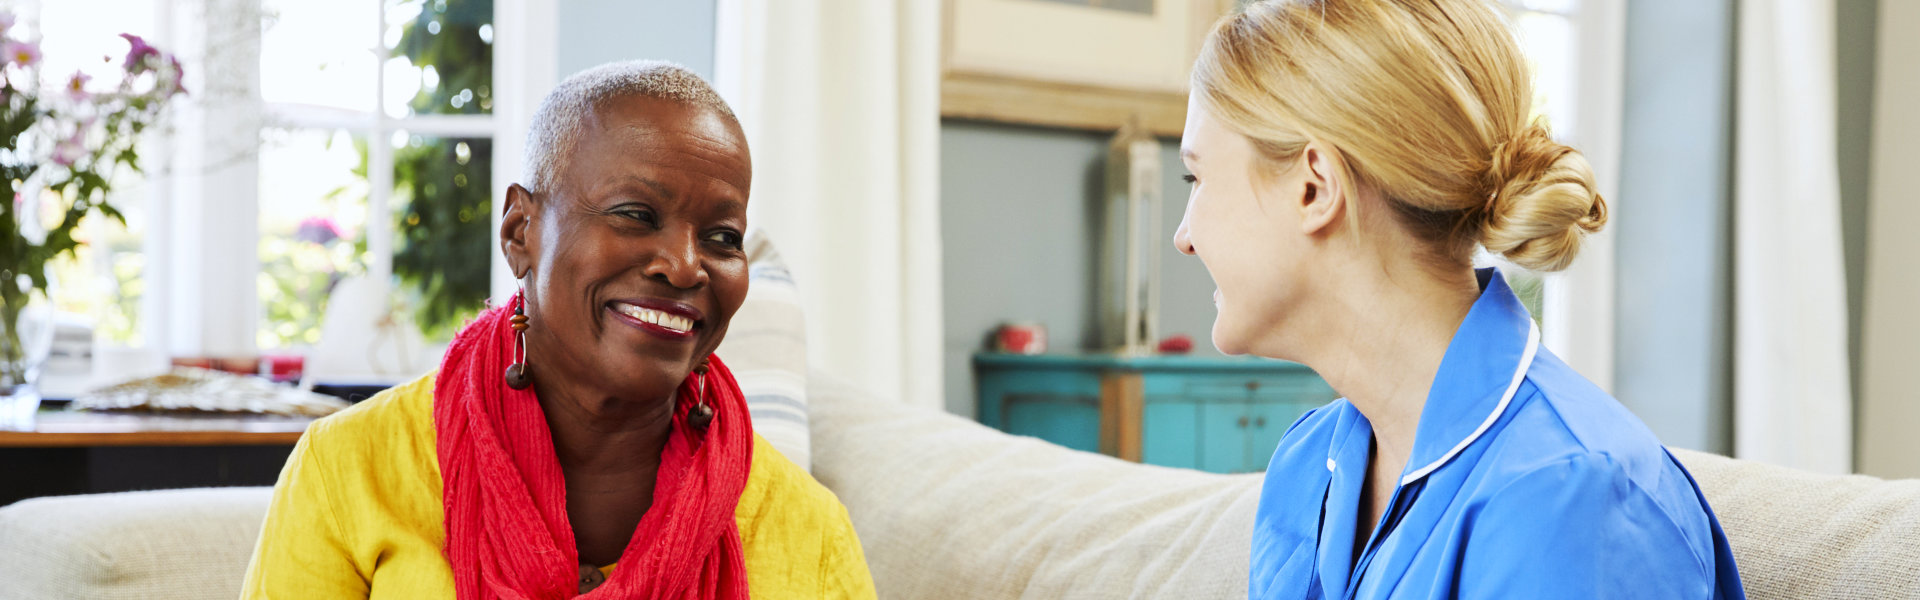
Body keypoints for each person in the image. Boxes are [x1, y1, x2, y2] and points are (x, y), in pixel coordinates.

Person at [1172, 1, 1746, 597]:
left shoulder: (1571, 496)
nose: (1184, 237)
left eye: (1197, 179)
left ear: (1314, 187)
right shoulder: (1308, 464)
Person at [243, 60, 877, 599]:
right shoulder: (352, 470)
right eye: (636, 214)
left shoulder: (809, 532)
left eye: (722, 237)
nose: (685, 266)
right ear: (521, 232)